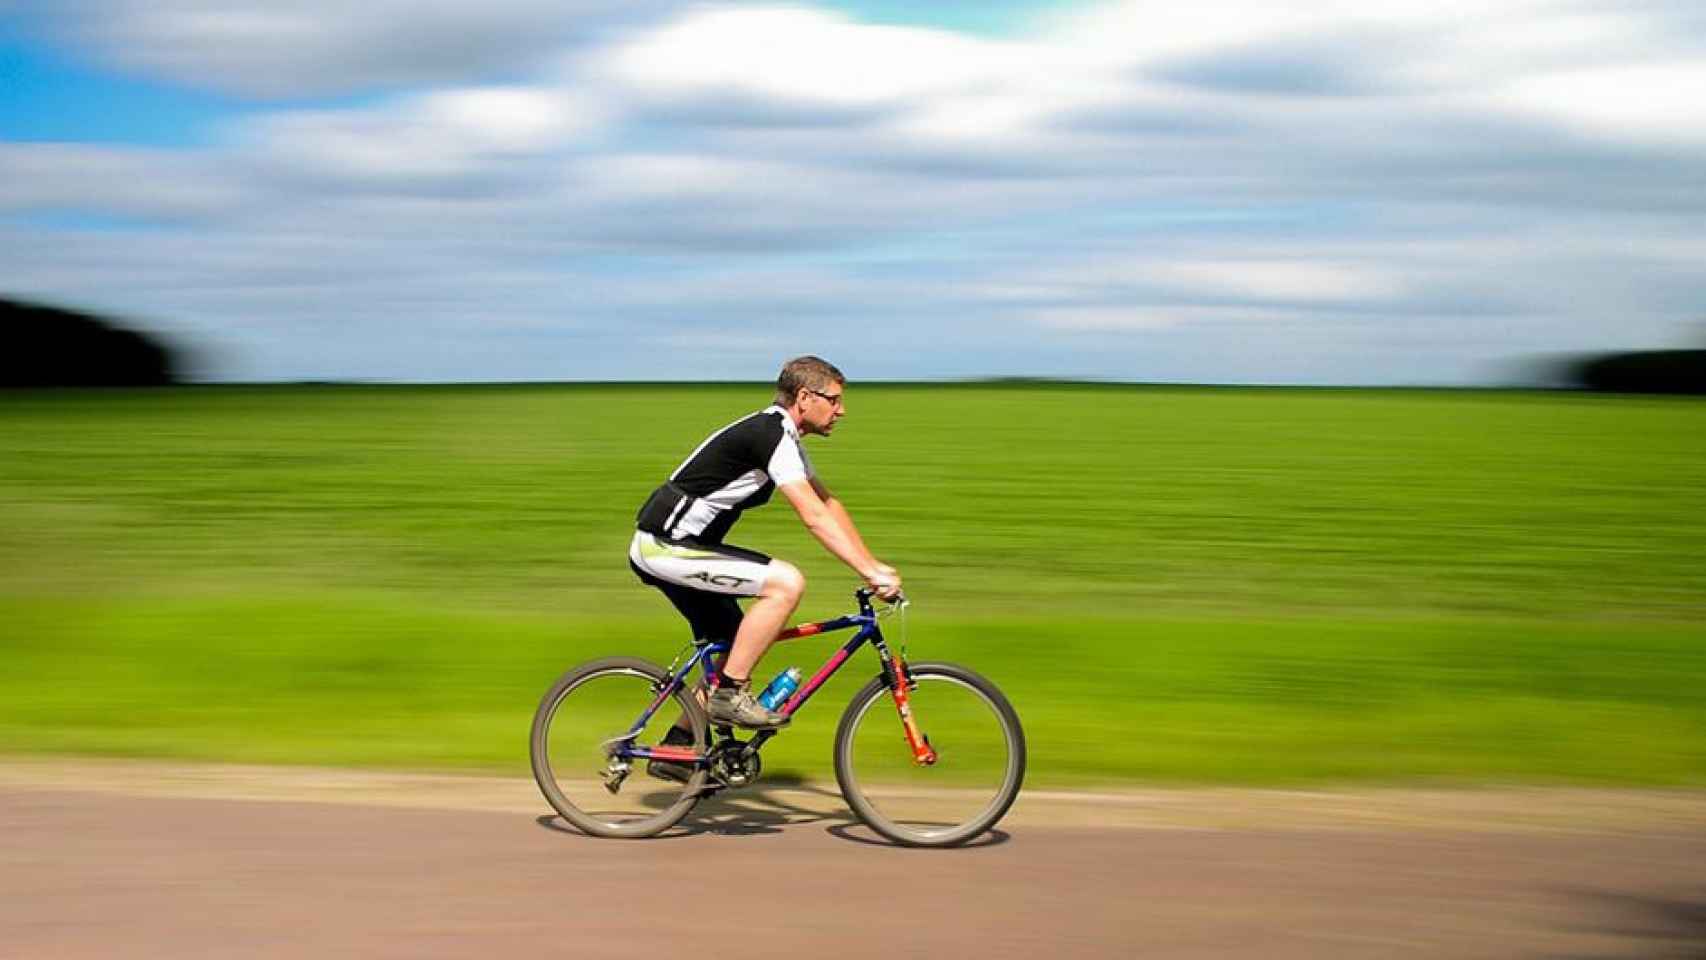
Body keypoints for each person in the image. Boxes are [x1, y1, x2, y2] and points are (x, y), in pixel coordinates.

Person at [629, 356, 902, 757]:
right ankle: (730, 696)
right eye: (835, 399)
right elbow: (811, 516)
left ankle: (678, 751)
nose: (841, 410)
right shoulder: (771, 434)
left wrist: (873, 565)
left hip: (683, 548)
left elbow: (829, 506)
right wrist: (866, 571)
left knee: (738, 647)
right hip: (664, 546)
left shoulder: (784, 438)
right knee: (786, 583)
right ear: (805, 397)